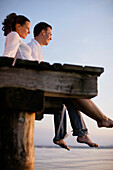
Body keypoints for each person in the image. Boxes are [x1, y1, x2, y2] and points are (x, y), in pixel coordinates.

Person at [2, 13, 96, 151]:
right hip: (30, 85)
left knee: (66, 101)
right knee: (70, 96)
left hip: (33, 82)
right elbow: (7, 56)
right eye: (27, 28)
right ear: (18, 26)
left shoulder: (26, 43)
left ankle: (75, 133)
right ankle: (86, 128)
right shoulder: (15, 36)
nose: (29, 31)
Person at [28, 22, 113, 147]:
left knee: (70, 97)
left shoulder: (37, 49)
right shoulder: (31, 47)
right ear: (43, 32)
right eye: (50, 34)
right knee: (72, 94)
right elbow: (33, 75)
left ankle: (80, 132)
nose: (51, 37)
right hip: (33, 91)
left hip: (38, 88)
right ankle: (100, 121)